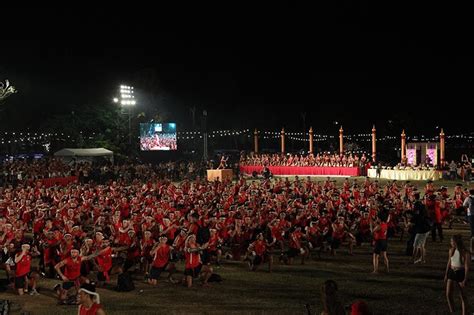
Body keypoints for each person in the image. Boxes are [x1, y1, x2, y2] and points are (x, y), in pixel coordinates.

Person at [444, 235, 470, 315]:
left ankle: (464, 313)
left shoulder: (465, 252)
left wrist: (465, 279)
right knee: (448, 294)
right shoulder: (451, 250)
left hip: (460, 273)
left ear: (456, 242)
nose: (450, 243)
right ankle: (452, 311)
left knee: (462, 296)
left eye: (452, 241)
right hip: (452, 272)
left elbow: (466, 267)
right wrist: (446, 274)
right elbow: (449, 262)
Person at [463, 189, 474, 261]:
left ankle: (472, 254)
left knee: (472, 232)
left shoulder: (468, 198)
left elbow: (464, 205)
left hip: (471, 216)